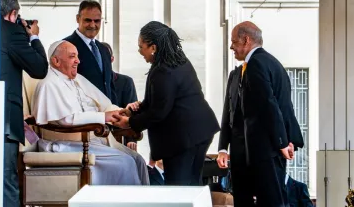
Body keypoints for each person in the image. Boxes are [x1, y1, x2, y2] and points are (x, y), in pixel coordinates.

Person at [31, 40, 149, 185]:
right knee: (126, 163)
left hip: (91, 140)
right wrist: (103, 117)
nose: (78, 61)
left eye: (77, 56)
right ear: (56, 61)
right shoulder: (48, 84)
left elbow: (104, 105)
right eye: (72, 56)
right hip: (67, 143)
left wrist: (122, 112)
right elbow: (66, 120)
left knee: (138, 160)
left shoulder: (77, 79)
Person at [116, 21, 220, 186]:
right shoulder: (179, 61)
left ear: (153, 48)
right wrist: (134, 111)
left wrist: (129, 122)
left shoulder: (163, 71)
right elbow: (160, 100)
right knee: (193, 184)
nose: (140, 52)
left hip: (184, 137)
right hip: (200, 130)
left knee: (178, 188)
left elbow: (159, 111)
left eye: (140, 47)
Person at [217, 21, 304, 207]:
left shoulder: (257, 63)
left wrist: (281, 141)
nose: (231, 46)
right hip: (256, 150)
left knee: (271, 201)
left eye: (234, 41)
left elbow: (269, 106)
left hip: (267, 149)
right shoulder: (269, 63)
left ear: (246, 40)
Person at [0, 0, 48, 206]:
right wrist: (33, 36)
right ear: (13, 14)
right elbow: (39, 68)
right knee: (5, 181)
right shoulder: (11, 31)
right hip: (4, 119)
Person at [64, 0, 117, 104]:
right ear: (78, 19)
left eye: (97, 21)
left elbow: (110, 86)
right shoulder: (65, 47)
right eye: (88, 20)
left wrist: (115, 110)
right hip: (82, 115)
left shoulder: (104, 50)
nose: (92, 25)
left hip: (107, 115)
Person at [102, 42, 138, 151]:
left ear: (112, 59)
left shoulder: (126, 81)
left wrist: (131, 139)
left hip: (118, 135)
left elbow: (132, 112)